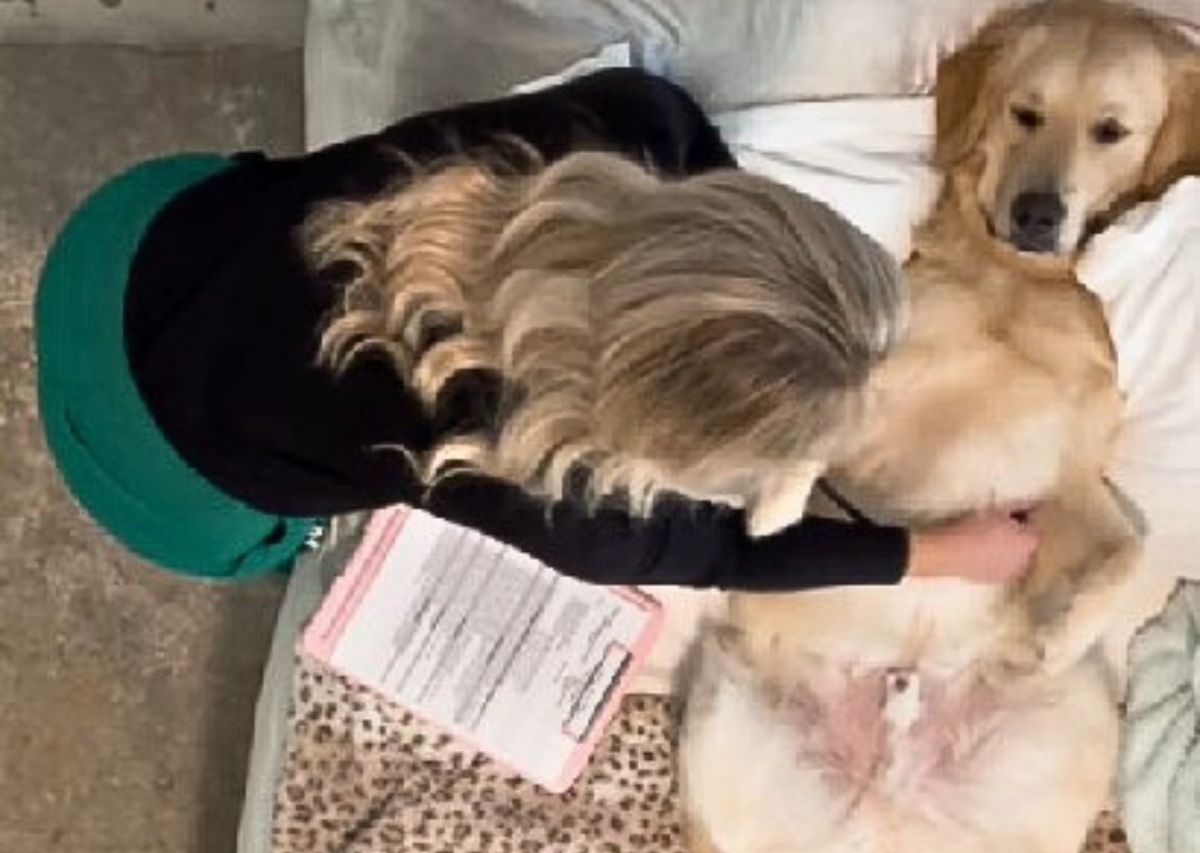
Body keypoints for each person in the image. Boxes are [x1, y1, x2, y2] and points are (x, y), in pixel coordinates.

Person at [35, 68, 1036, 586]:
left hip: (134, 233)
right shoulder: (530, 477)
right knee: (258, 548)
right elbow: (724, 558)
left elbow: (692, 152)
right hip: (151, 459)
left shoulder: (633, 123)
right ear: (663, 453)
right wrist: (935, 555)